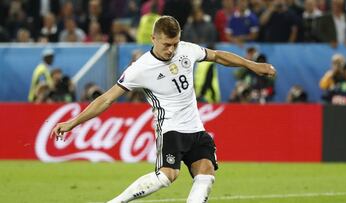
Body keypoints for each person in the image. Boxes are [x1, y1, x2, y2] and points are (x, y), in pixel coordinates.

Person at [51, 16, 276, 203]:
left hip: (196, 128)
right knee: (167, 177)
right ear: (153, 39)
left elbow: (217, 56)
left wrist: (252, 65)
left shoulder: (186, 50)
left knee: (206, 174)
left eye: (175, 43)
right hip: (170, 129)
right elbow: (107, 99)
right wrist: (72, 123)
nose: (171, 50)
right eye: (166, 44)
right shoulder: (139, 69)